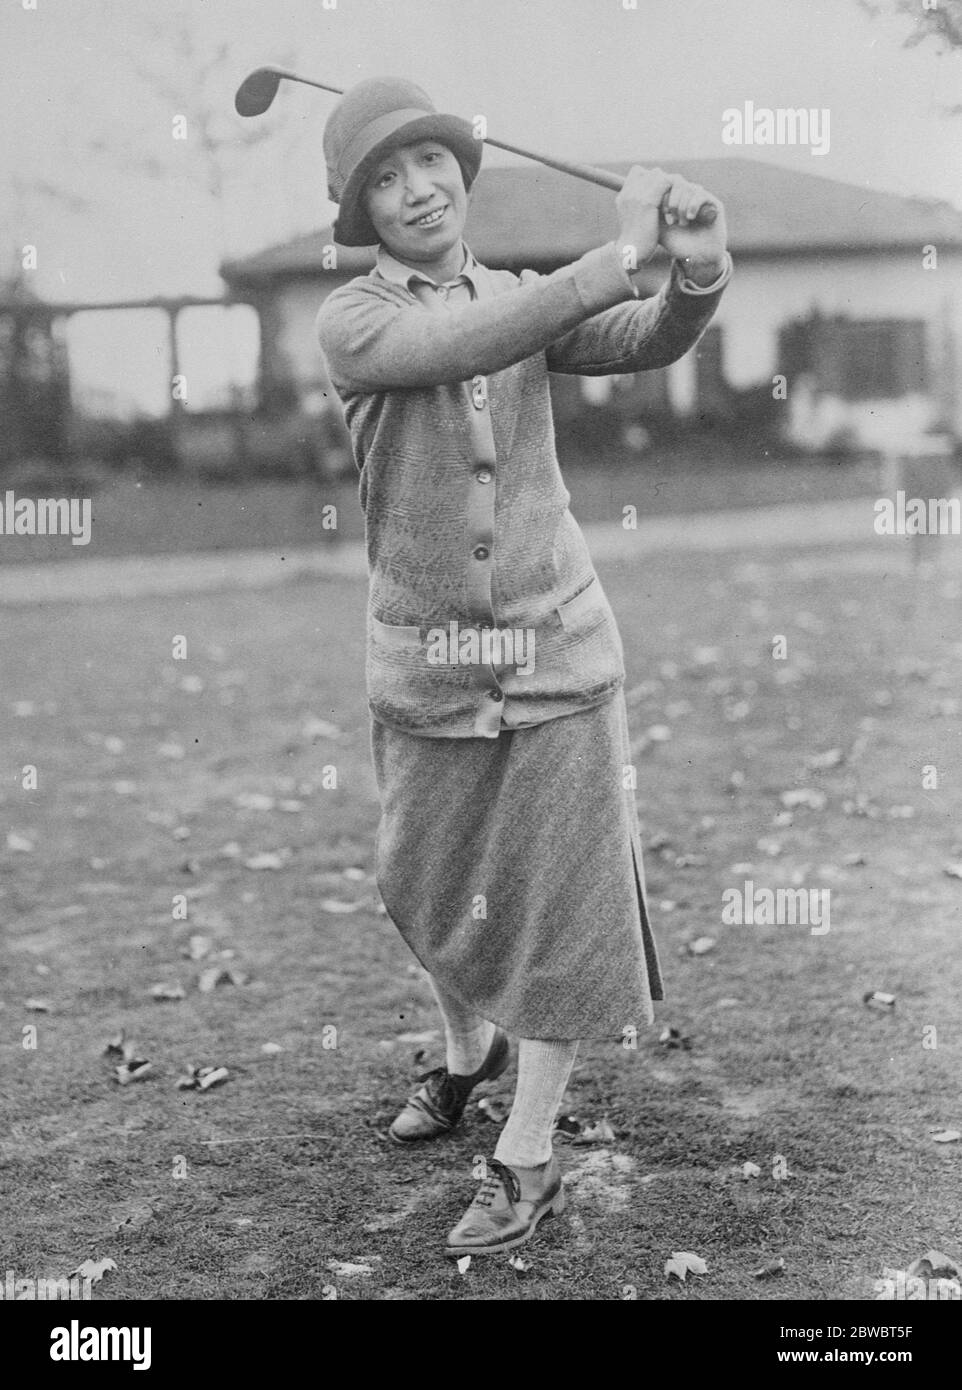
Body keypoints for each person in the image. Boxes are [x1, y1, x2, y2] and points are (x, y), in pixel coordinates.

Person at [316, 77, 732, 1257]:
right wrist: (615, 253)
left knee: (557, 905)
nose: (415, 190)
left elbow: (641, 337)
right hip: (432, 660)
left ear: (460, 171)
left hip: (557, 647)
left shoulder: (518, 296)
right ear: (360, 210)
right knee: (425, 883)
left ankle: (527, 1153)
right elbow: (467, 339)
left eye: (428, 163)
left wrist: (692, 269)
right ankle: (466, 1051)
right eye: (384, 179)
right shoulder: (353, 320)